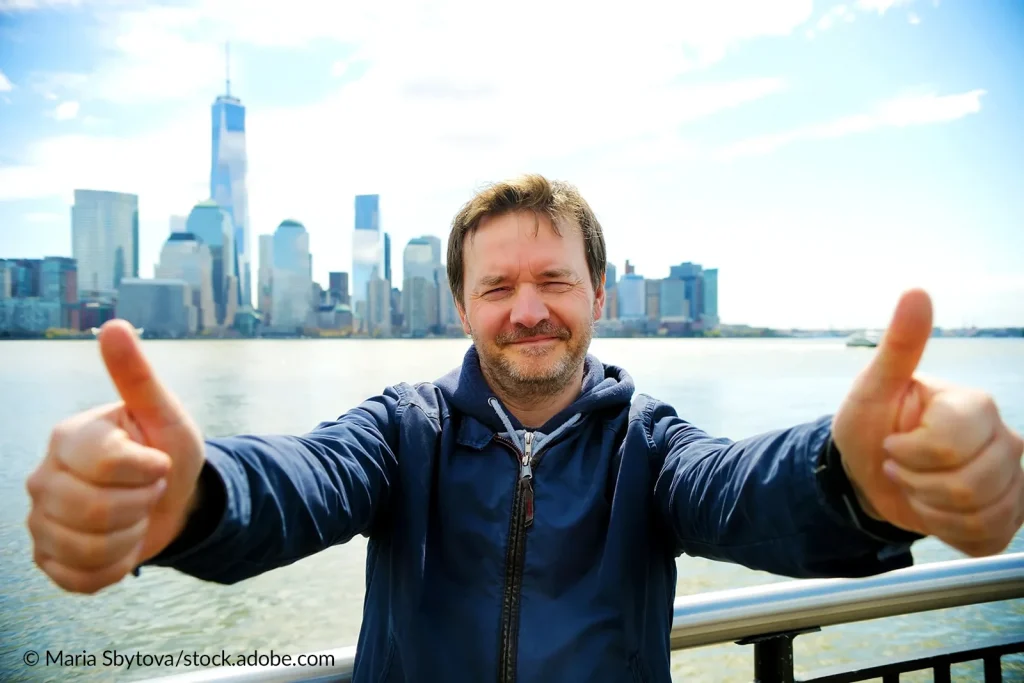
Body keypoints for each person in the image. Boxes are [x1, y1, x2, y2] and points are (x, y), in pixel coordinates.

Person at [26, 174, 1024, 683]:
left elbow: (743, 487)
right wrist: (192, 494)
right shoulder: (398, 431)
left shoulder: (653, 444)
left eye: (553, 279)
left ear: (600, 292)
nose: (527, 307)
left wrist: (854, 478)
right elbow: (300, 479)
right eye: (496, 284)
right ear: (460, 304)